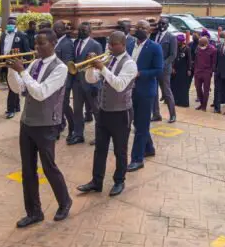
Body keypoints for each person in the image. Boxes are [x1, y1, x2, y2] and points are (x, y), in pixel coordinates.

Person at [6, 28, 72, 228]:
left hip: (46, 125)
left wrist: (22, 72)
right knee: (27, 170)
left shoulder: (60, 68)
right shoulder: (34, 63)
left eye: (41, 43)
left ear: (53, 44)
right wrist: (12, 70)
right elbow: (20, 89)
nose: (36, 47)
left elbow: (41, 93)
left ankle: (64, 201)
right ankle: (34, 212)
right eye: (36, 43)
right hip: (27, 122)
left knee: (49, 167)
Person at [78, 31, 137, 197]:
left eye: (113, 44)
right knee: (100, 148)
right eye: (109, 44)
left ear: (122, 44)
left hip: (121, 113)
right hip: (103, 111)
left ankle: (119, 181)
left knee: (120, 150)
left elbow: (119, 85)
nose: (109, 47)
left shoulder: (130, 64)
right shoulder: (109, 59)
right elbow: (92, 80)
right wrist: (90, 67)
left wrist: (102, 67)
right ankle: (96, 181)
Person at [128, 20, 163, 172]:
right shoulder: (129, 45)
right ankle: (149, 148)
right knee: (137, 123)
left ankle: (137, 159)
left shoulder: (155, 47)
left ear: (149, 31)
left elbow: (158, 70)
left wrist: (140, 74)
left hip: (145, 91)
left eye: (143, 28)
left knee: (141, 125)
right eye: (138, 27)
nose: (140, 30)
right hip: (130, 90)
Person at [68, 22, 103, 145]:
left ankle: (100, 136)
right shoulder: (75, 42)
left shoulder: (96, 45)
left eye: (84, 30)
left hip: (91, 83)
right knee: (77, 110)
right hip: (77, 83)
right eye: (80, 30)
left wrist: (96, 85)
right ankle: (78, 135)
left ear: (90, 31)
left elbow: (99, 67)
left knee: (96, 111)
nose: (81, 32)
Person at [0, 16, 31, 119]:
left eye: (12, 24)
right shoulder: (4, 34)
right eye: (8, 24)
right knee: (13, 86)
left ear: (15, 25)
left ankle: (10, 109)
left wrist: (25, 65)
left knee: (12, 87)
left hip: (16, 64)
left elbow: (27, 51)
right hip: (6, 62)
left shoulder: (22, 35)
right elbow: (0, 48)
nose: (10, 26)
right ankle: (16, 107)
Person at [151, 17, 177, 124]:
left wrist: (163, 64)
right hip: (153, 69)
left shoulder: (171, 37)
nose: (161, 26)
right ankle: (156, 114)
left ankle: (173, 115)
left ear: (168, 25)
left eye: (164, 24)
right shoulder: (154, 35)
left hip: (164, 69)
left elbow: (173, 55)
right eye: (160, 24)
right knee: (154, 92)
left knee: (166, 92)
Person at [53, 21, 75, 138]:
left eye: (56, 29)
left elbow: (67, 64)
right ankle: (59, 126)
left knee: (64, 105)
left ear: (61, 30)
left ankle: (73, 127)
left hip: (64, 80)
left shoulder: (66, 43)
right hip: (56, 79)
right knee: (57, 105)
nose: (54, 31)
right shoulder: (57, 42)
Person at [194, 36, 216, 111]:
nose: (201, 46)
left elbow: (213, 63)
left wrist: (211, 72)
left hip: (207, 72)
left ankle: (204, 106)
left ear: (207, 43)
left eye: (202, 45)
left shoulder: (212, 50)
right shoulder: (198, 48)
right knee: (198, 88)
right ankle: (201, 102)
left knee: (206, 90)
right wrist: (195, 70)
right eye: (200, 44)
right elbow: (196, 59)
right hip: (198, 71)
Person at [171, 33, 192, 107]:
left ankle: (183, 102)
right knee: (175, 85)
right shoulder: (176, 48)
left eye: (178, 41)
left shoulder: (187, 49)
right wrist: (172, 67)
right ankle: (175, 100)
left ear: (182, 41)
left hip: (184, 70)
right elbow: (173, 58)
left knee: (183, 86)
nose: (177, 42)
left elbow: (189, 60)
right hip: (176, 69)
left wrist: (189, 69)